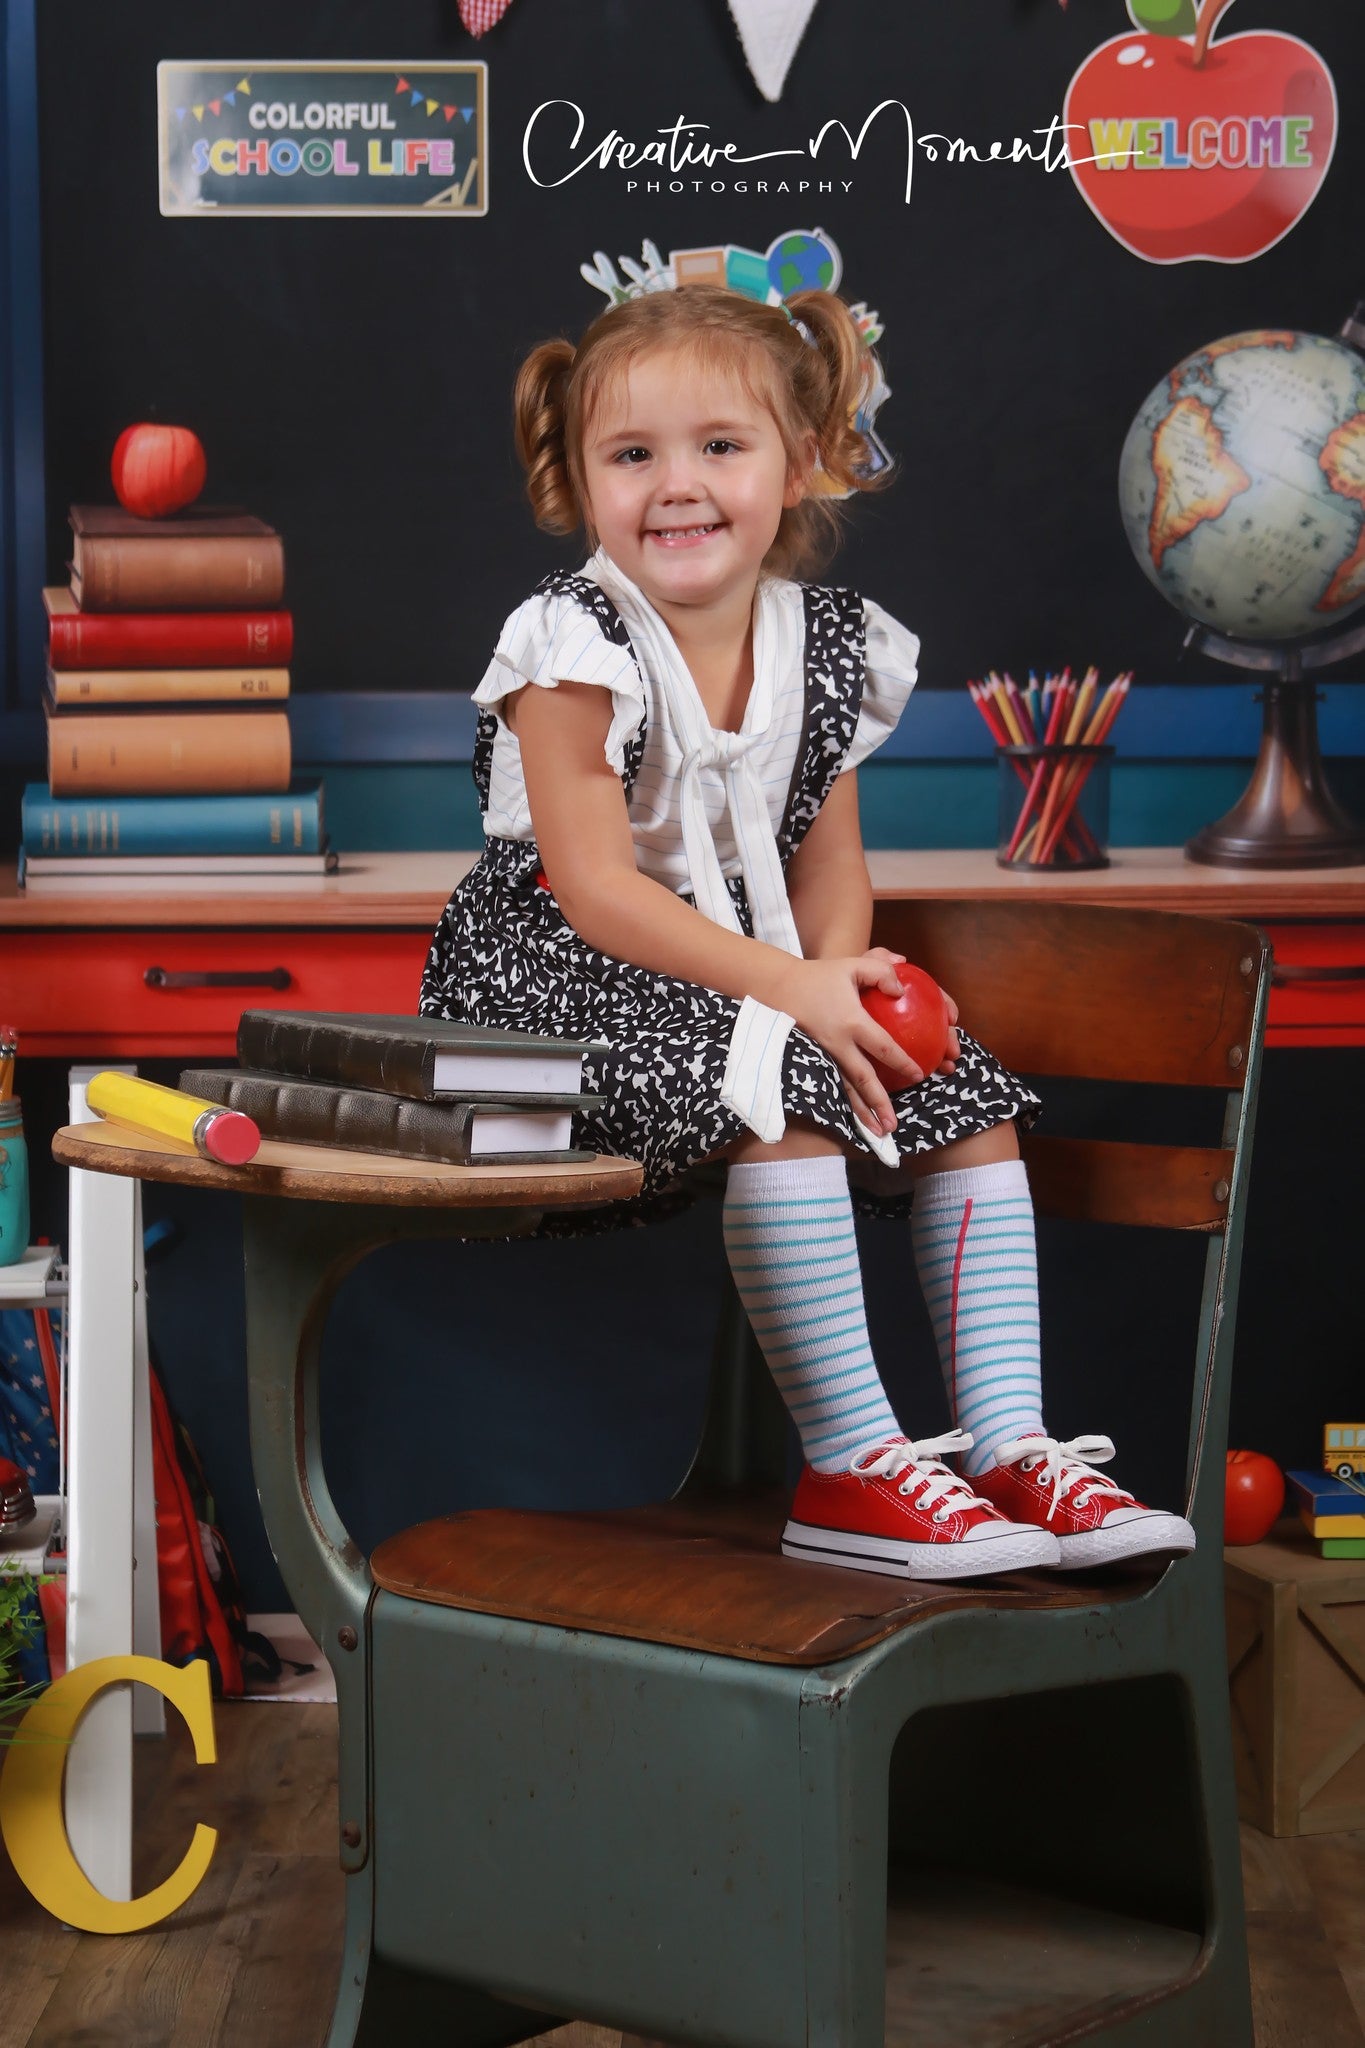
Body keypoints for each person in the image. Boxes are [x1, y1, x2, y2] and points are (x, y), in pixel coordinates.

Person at [422, 280, 1194, 1581]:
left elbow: (829, 860)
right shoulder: (570, 642)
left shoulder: (824, 645)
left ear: (803, 465)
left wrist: (835, 977)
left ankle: (1009, 1442)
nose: (676, 484)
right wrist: (792, 993)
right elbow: (599, 888)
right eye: (632, 454)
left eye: (719, 446)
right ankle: (848, 1465)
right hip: (549, 982)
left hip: (742, 970)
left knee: (953, 1088)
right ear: (579, 482)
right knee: (774, 1090)